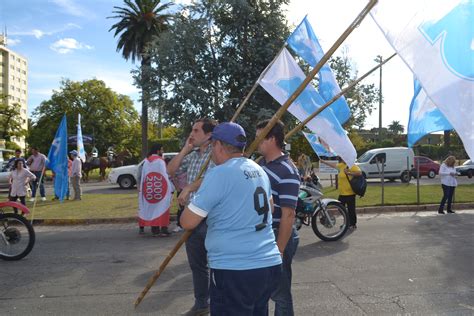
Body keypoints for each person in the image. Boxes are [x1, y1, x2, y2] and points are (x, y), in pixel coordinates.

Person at [181, 122, 282, 315]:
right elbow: (271, 207)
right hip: (268, 263)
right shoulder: (259, 169)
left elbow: (188, 222)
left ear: (218, 145)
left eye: (212, 146)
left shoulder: (219, 173)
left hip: (235, 268)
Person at [167, 118, 218, 315]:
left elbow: (212, 178)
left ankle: (217, 304)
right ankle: (201, 303)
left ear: (209, 135)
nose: (192, 134)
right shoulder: (193, 156)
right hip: (192, 217)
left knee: (216, 265)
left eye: (196, 131)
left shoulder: (217, 154)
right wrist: (184, 150)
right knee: (197, 265)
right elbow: (170, 170)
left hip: (211, 218)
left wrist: (189, 187)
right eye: (192, 129)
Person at [256, 119, 300, 316]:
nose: (255, 141)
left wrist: (279, 251)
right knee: (261, 292)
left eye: (259, 137)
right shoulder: (260, 164)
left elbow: (288, 215)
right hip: (262, 236)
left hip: (277, 237)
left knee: (280, 294)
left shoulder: (287, 170)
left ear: (272, 139)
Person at [137, 144, 172, 236]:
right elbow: (165, 175)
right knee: (163, 207)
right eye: (162, 150)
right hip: (160, 188)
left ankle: (155, 230)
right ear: (157, 151)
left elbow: (142, 176)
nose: (162, 151)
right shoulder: (160, 161)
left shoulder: (146, 161)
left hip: (149, 188)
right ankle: (164, 229)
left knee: (152, 209)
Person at [321, 156, 362, 229]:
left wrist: (349, 173)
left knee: (351, 210)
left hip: (350, 193)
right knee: (341, 209)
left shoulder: (351, 165)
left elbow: (359, 173)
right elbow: (333, 165)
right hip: (342, 193)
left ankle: (352, 224)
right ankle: (347, 222)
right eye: (342, 157)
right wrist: (324, 162)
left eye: (343, 157)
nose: (342, 158)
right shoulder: (341, 165)